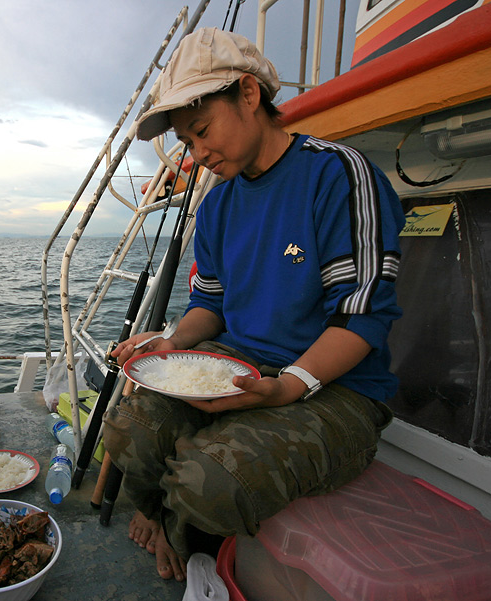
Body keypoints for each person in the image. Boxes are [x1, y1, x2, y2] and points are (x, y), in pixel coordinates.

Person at [104, 28, 404, 581]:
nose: (198, 154)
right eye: (188, 144)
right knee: (130, 426)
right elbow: (210, 306)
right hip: (240, 367)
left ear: (248, 94)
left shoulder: (337, 174)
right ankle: (163, 513)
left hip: (337, 390)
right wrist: (169, 344)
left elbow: (362, 317)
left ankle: (184, 527)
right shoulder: (217, 206)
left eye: (201, 131)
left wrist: (287, 387)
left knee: (212, 480)